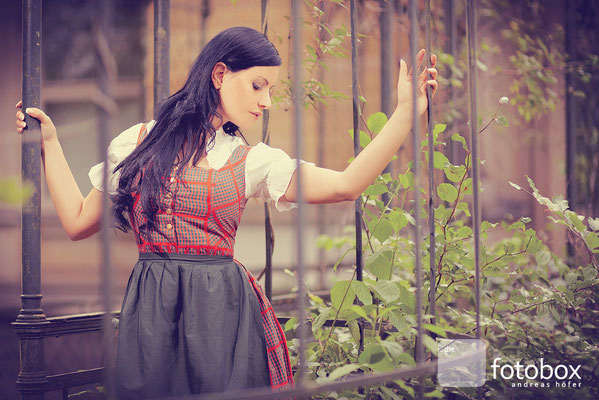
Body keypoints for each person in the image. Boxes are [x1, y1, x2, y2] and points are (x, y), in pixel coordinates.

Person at [15, 26, 437, 398]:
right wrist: (50, 144)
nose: (267, 100)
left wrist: (404, 114)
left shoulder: (254, 161)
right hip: (150, 312)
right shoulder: (136, 143)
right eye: (258, 86)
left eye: (270, 89)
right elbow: (75, 221)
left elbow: (347, 185)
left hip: (221, 311)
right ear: (220, 75)